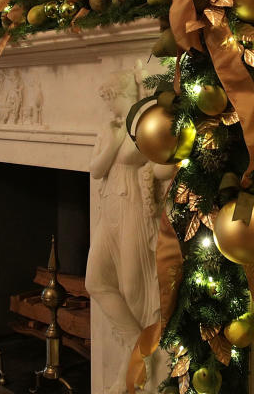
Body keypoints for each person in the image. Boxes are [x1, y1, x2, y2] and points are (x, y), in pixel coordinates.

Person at [85, 70, 175, 393]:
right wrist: (113, 139)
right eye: (107, 100)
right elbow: (95, 169)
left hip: (133, 213)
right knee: (95, 281)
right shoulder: (112, 129)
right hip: (109, 211)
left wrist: (124, 136)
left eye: (113, 98)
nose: (110, 106)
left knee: (135, 293)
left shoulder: (142, 126)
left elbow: (156, 159)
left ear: (128, 94)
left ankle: (135, 369)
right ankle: (139, 352)